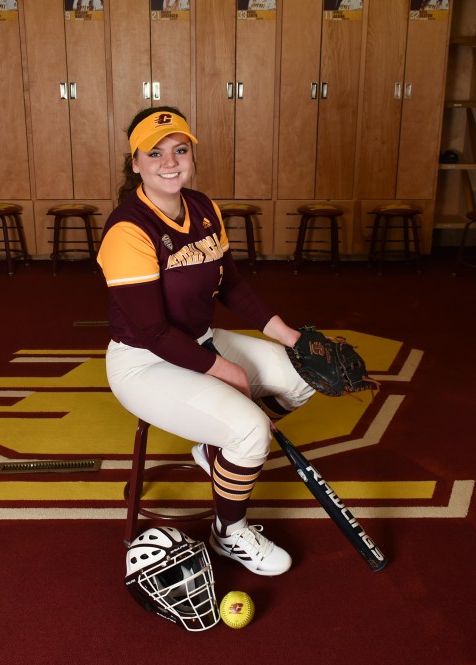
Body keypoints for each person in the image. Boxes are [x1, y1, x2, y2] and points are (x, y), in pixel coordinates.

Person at [97, 107, 315, 576]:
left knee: (303, 377)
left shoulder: (203, 206)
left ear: (192, 154)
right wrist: (229, 372)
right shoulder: (127, 229)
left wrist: (290, 337)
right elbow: (153, 333)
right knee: (252, 430)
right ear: (135, 162)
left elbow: (232, 286)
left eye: (180, 150)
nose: (169, 161)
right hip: (144, 362)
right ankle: (229, 531)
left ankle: (218, 453)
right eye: (154, 153)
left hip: (201, 339)